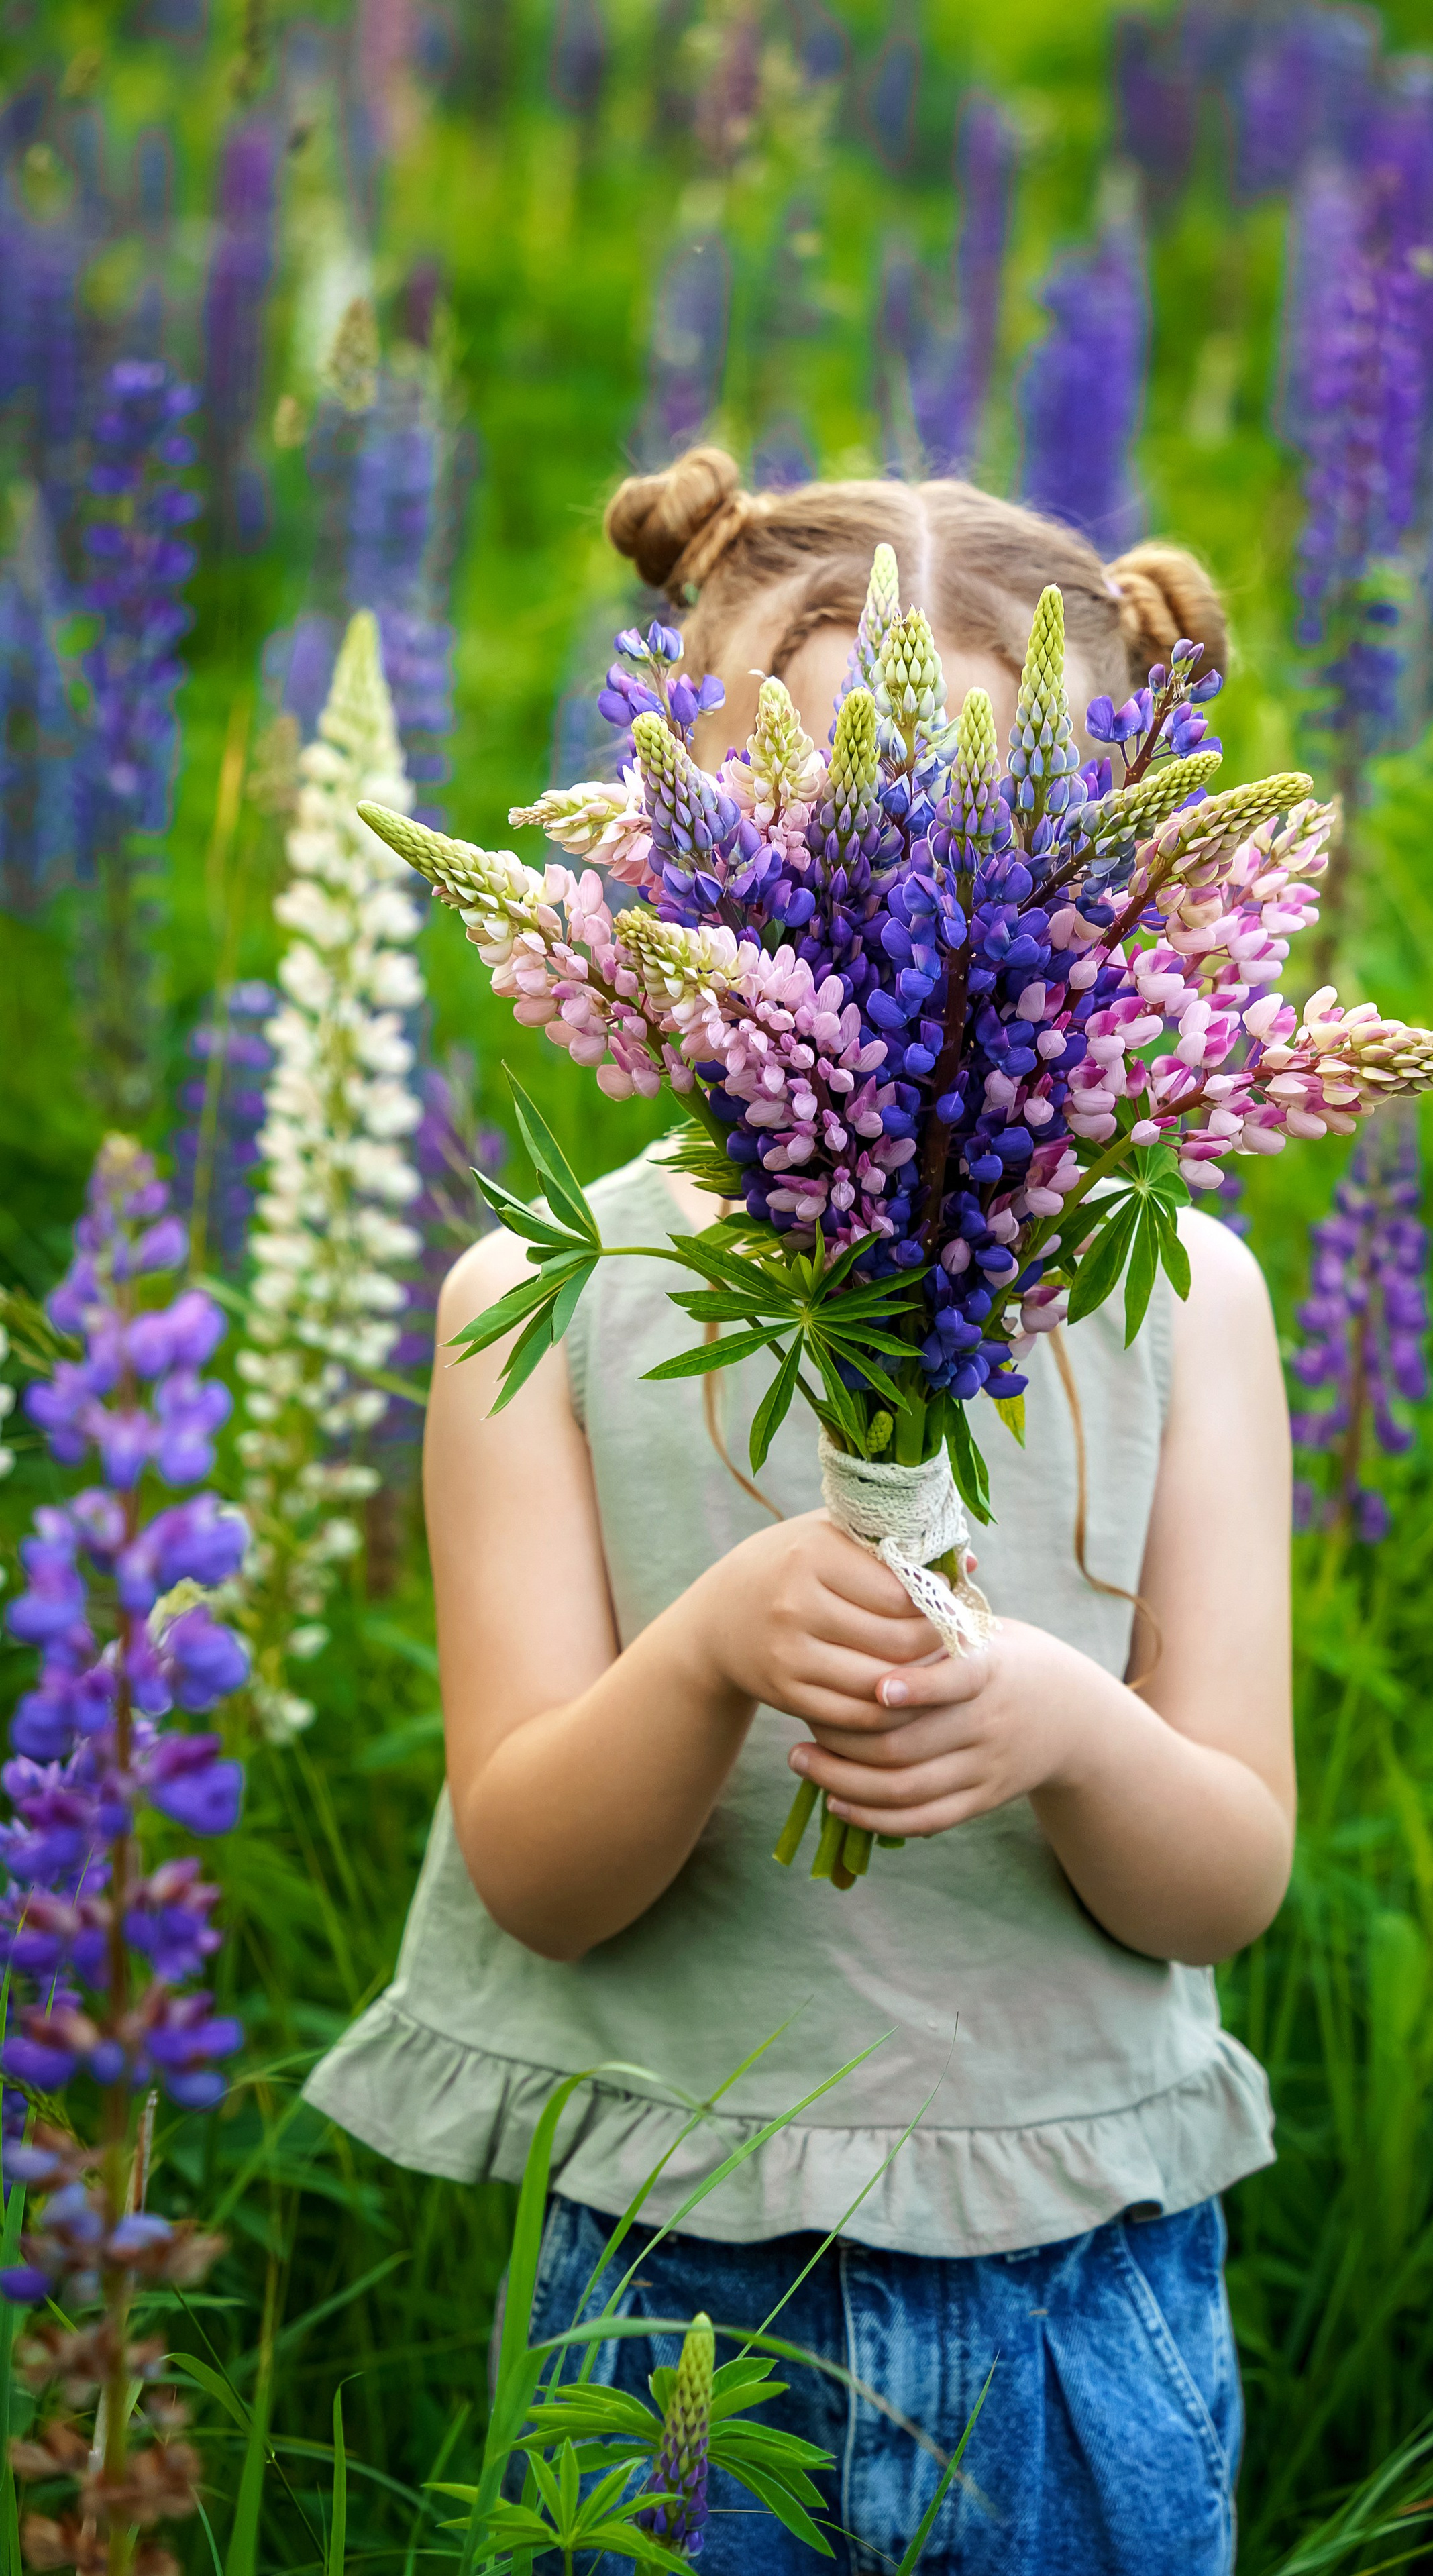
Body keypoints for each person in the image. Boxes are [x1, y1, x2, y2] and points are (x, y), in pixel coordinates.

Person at [307, 448, 1295, 2576]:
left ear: (1103, 870)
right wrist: (706, 1650)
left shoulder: (1183, 1295)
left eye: (979, 833)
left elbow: (1228, 1880)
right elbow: (538, 1881)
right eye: (827, 821)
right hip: (672, 2290)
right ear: (682, 847)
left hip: (1078, 2301)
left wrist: (1070, 1726)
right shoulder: (540, 1298)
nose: (905, 900)